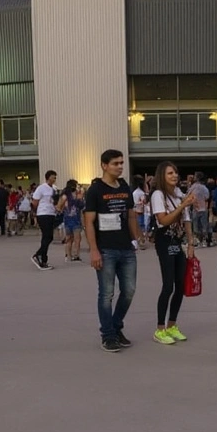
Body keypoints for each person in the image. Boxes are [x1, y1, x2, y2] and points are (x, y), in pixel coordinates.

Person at [84, 151, 141, 353]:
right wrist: (94, 251)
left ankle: (116, 326)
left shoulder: (125, 187)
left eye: (121, 163)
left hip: (126, 248)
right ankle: (108, 335)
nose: (120, 166)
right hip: (105, 249)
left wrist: (136, 239)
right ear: (104, 165)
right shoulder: (95, 190)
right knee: (106, 293)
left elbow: (131, 216)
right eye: (115, 163)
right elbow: (89, 223)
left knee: (129, 291)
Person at [149, 161, 196, 345]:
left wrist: (191, 243)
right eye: (170, 173)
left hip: (178, 241)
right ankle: (160, 328)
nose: (174, 176)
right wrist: (183, 205)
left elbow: (187, 221)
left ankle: (172, 325)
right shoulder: (158, 195)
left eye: (176, 172)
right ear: (162, 175)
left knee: (180, 286)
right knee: (168, 285)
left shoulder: (178, 195)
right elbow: (164, 220)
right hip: (164, 240)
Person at [31, 171, 59, 271]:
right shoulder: (41, 188)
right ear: (47, 178)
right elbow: (35, 201)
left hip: (51, 213)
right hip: (43, 213)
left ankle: (39, 254)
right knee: (46, 235)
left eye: (55, 177)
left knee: (50, 237)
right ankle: (42, 259)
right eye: (52, 177)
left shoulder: (54, 188)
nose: (54, 179)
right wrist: (36, 212)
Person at [189, 172, 212, 248]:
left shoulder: (193, 187)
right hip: (203, 208)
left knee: (195, 226)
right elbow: (207, 197)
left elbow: (188, 195)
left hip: (196, 209)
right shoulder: (204, 188)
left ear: (197, 178)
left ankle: (198, 241)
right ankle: (204, 241)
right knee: (204, 225)